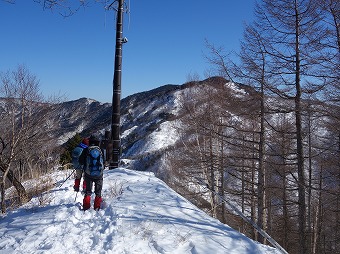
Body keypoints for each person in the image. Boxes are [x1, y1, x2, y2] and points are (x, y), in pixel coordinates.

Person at [79, 134, 104, 210]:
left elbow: (81, 161)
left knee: (88, 191)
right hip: (99, 174)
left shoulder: (86, 149)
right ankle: (97, 207)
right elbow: (104, 161)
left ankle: (86, 207)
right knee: (98, 192)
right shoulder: (100, 150)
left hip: (88, 174)